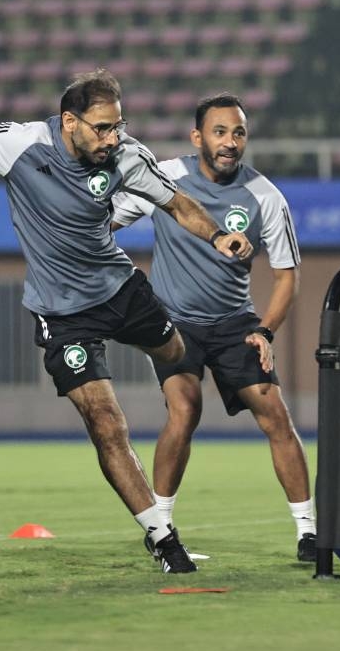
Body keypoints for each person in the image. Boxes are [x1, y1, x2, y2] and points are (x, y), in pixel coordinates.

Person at [0, 69, 255, 575]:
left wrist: (216, 237)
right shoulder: (21, 143)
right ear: (69, 121)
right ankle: (163, 539)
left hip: (121, 291)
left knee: (177, 354)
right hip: (61, 312)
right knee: (105, 421)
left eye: (117, 126)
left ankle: (166, 362)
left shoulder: (127, 157)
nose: (112, 137)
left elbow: (179, 203)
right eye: (101, 128)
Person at [111, 92, 316, 562]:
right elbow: (107, 222)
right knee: (184, 409)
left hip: (234, 323)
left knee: (276, 415)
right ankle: (160, 527)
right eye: (220, 132)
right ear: (197, 137)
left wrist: (265, 332)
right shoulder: (165, 178)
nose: (230, 142)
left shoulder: (266, 196)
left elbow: (287, 276)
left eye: (238, 132)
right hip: (174, 322)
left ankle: (308, 533)